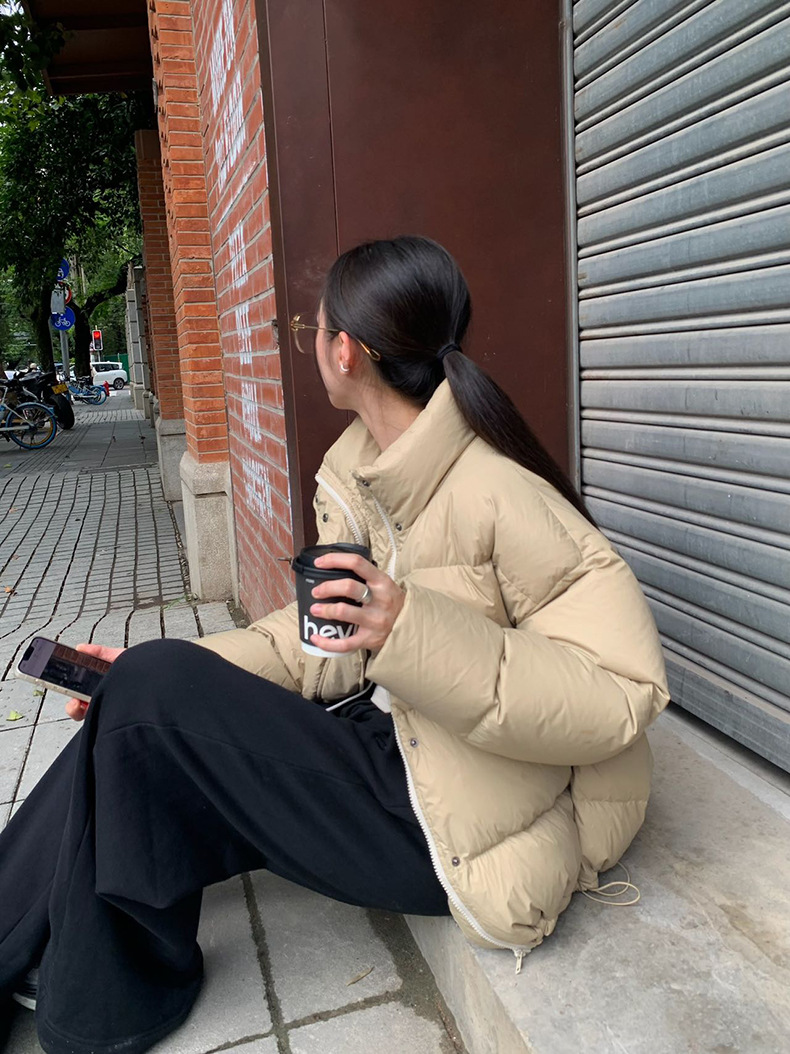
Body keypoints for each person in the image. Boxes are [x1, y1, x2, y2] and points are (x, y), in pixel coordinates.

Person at [0, 236, 669, 1054]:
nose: (309, 342)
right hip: (392, 747)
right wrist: (158, 671)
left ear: (345, 350)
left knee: (152, 695)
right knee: (140, 694)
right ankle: (79, 973)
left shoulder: (500, 490)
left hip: (455, 823)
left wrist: (412, 629)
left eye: (310, 329)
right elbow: (312, 641)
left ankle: (90, 1000)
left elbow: (621, 693)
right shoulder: (367, 474)